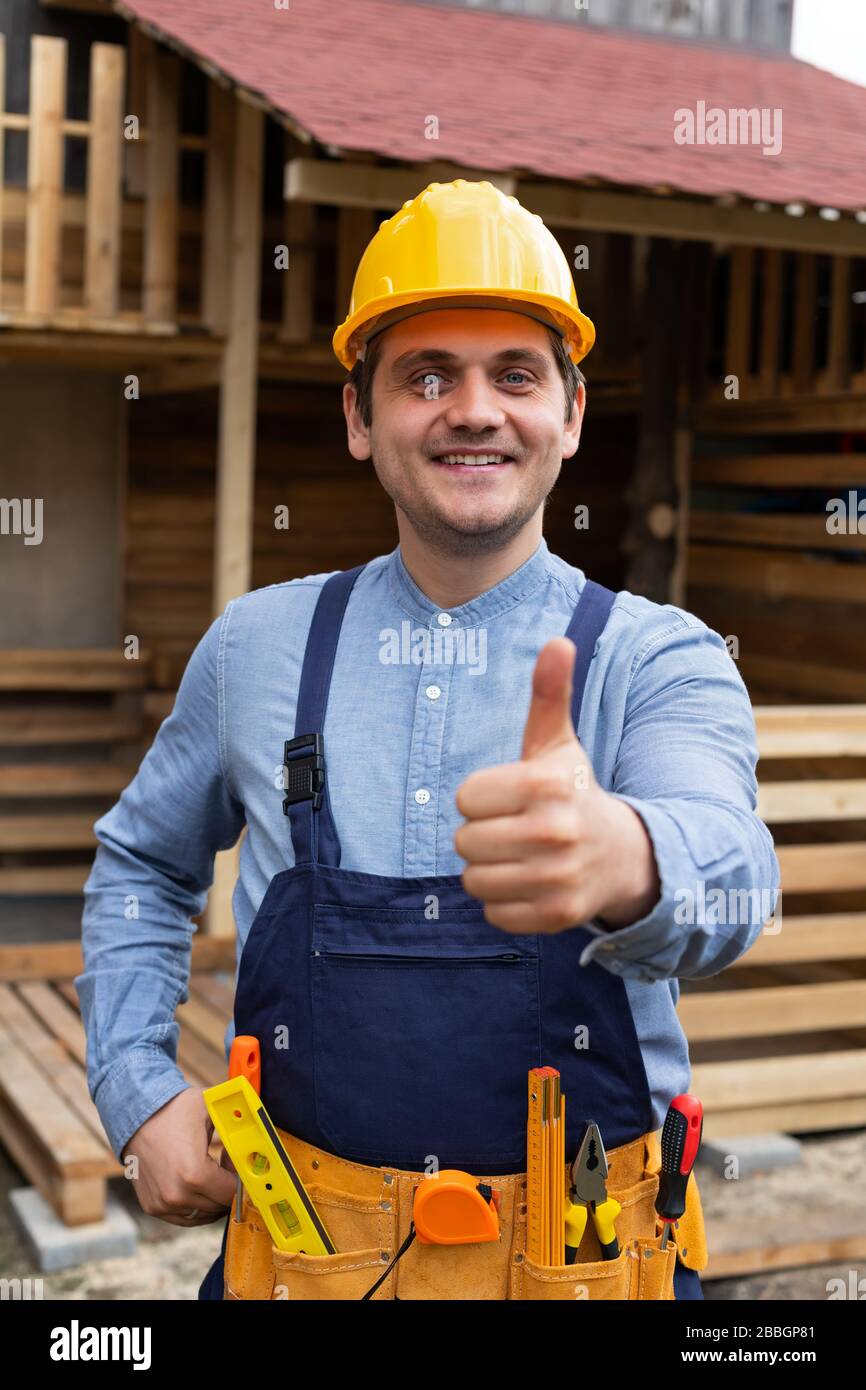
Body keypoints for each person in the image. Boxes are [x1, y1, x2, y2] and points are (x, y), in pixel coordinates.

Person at [78, 180, 778, 1301]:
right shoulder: (254, 648)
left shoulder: (661, 658)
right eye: (425, 376)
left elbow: (736, 873)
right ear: (360, 419)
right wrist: (135, 1087)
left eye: (514, 374)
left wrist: (624, 855)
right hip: (304, 1269)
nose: (472, 409)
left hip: (586, 1272)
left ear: (570, 414)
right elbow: (143, 866)